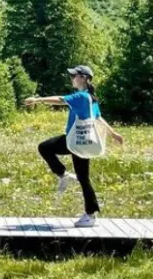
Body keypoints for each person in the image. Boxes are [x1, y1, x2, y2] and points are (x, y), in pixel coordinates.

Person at [25, 64, 124, 228]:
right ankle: (90, 215)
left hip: (74, 140)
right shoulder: (90, 97)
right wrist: (113, 134)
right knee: (84, 178)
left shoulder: (81, 97)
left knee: (44, 147)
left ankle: (64, 175)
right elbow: (98, 118)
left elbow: (60, 100)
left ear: (84, 78)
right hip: (83, 141)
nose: (72, 78)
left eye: (74, 76)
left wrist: (37, 99)